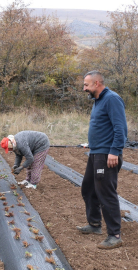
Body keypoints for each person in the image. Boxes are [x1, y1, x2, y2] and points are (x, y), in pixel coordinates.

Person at [76, 71, 127, 249]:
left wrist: (115, 151)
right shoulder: (98, 100)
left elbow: (120, 127)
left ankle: (115, 235)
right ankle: (95, 224)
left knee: (106, 193)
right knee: (89, 189)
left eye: (86, 85)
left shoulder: (112, 99)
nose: (84, 88)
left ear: (97, 83)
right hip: (96, 153)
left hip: (107, 155)